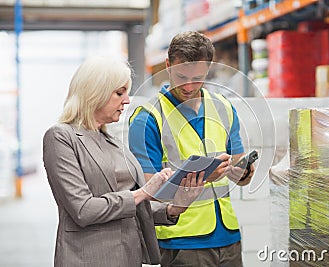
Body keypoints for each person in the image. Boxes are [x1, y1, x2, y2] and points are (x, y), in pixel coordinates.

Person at [42, 55, 204, 267]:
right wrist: (143, 192)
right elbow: (82, 209)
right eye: (119, 93)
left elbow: (133, 206)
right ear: (95, 92)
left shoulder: (112, 141)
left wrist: (174, 208)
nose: (126, 100)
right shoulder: (61, 137)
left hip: (128, 255)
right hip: (87, 258)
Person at [128, 31, 255, 267]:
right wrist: (207, 177)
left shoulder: (224, 107)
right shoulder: (147, 118)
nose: (188, 86)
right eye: (181, 76)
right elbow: (150, 193)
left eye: (198, 78)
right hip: (181, 243)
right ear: (168, 65)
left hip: (228, 237)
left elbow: (241, 175)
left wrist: (244, 173)